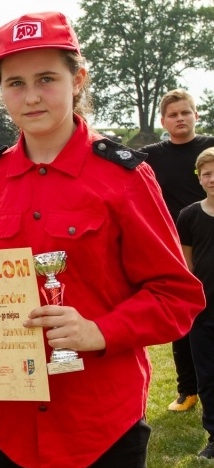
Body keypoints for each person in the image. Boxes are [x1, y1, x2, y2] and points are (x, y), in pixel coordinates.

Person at [0, 12, 205, 468]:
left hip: (98, 421)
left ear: (77, 80)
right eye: (16, 83)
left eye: (46, 79)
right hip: (7, 418)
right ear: (1, 93)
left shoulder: (123, 177)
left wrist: (97, 330)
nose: (31, 96)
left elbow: (177, 295)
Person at [142, 89, 214, 412]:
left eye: (186, 112)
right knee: (183, 316)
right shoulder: (154, 155)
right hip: (176, 246)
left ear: (196, 116)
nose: (180, 118)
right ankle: (188, 389)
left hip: (210, 238)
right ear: (164, 121)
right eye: (173, 114)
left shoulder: (210, 149)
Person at [177, 147, 214, 459]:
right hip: (204, 313)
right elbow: (187, 266)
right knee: (208, 377)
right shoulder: (188, 216)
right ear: (200, 179)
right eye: (207, 174)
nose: (213, 179)